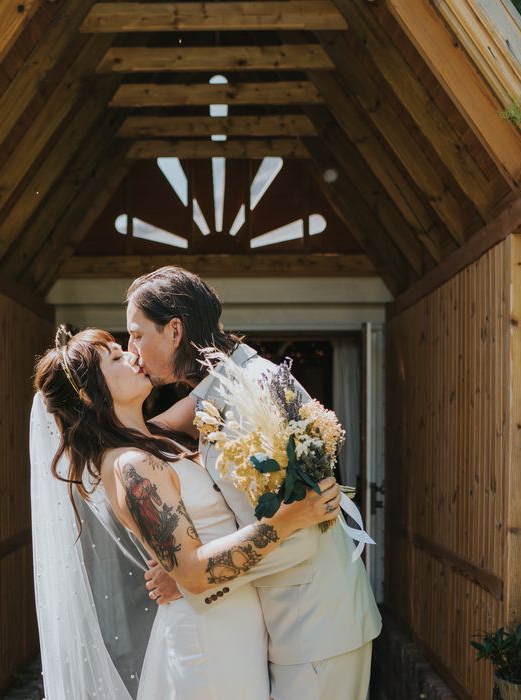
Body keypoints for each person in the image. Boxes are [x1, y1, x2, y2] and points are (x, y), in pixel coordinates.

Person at [31, 327, 342, 699]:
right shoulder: (131, 466)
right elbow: (192, 573)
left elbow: (218, 385)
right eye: (116, 357)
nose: (132, 355)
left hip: (234, 631)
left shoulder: (151, 439)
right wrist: (288, 519)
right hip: (206, 643)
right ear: (88, 393)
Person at [126, 266, 383, 700]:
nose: (130, 349)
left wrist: (193, 578)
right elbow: (168, 425)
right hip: (289, 627)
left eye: (136, 334)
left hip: (313, 629)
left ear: (174, 331)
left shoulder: (251, 399)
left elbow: (301, 532)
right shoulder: (225, 385)